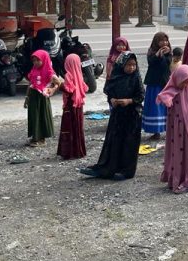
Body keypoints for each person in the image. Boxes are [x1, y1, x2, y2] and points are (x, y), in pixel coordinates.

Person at [80, 52, 144, 180]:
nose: (131, 68)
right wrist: (113, 100)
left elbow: (141, 95)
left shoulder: (136, 78)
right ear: (122, 65)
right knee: (114, 142)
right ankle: (109, 167)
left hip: (132, 116)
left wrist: (129, 101)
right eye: (128, 65)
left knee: (128, 143)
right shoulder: (116, 77)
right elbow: (110, 93)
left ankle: (126, 171)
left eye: (133, 65)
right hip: (118, 116)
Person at [157, 64, 188, 194]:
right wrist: (167, 99)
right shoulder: (171, 90)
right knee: (175, 153)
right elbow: (163, 97)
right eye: (183, 81)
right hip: (176, 130)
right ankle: (174, 179)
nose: (185, 84)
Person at [57, 53, 87, 160]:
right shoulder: (79, 75)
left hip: (70, 106)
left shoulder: (68, 75)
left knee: (69, 127)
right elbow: (85, 89)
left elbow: (69, 90)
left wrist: (59, 85)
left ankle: (68, 152)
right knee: (77, 128)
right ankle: (78, 151)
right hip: (78, 106)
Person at [142, 32, 172, 141]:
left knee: (166, 107)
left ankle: (168, 129)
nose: (164, 43)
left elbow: (168, 64)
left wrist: (166, 55)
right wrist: (158, 54)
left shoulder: (169, 53)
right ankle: (156, 131)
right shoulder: (151, 52)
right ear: (156, 41)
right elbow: (151, 63)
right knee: (155, 107)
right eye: (161, 40)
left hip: (165, 84)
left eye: (165, 40)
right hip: (154, 84)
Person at [25, 50, 58, 147]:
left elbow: (58, 83)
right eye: (34, 61)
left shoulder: (49, 72)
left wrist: (52, 90)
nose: (35, 63)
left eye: (38, 60)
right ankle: (35, 137)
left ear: (44, 59)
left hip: (42, 98)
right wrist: (27, 97)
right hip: (33, 97)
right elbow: (30, 83)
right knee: (34, 117)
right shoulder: (34, 70)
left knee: (41, 117)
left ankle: (41, 139)